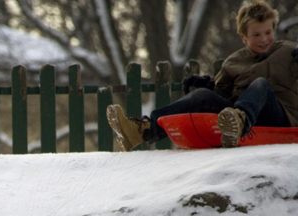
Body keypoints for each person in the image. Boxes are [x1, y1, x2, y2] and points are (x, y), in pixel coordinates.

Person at [107, 0, 298, 150]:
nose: (264, 40)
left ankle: (239, 122)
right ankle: (142, 130)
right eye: (256, 35)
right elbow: (220, 96)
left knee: (260, 84)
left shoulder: (288, 52)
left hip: (280, 118)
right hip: (235, 118)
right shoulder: (233, 62)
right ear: (244, 37)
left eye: (268, 32)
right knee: (201, 97)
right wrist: (208, 87)